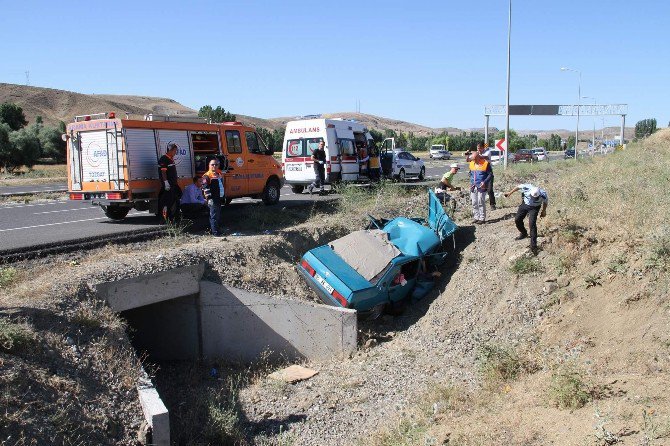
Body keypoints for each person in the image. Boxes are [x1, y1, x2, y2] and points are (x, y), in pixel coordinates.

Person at [504, 183, 549, 254]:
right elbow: (518, 187)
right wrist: (510, 193)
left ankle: (533, 246)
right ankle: (524, 233)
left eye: (536, 198)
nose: (534, 199)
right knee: (517, 219)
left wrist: (543, 211)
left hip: (535, 208)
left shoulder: (543, 194)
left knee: (532, 224)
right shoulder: (527, 187)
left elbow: (545, 202)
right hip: (525, 204)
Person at [467, 141, 496, 209]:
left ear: (483, 148)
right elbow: (468, 159)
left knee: (489, 189)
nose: (478, 149)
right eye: (477, 148)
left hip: (487, 172)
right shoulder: (476, 153)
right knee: (478, 190)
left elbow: (481, 157)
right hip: (480, 173)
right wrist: (468, 154)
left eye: (480, 148)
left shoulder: (487, 152)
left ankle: (492, 204)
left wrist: (474, 154)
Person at [157, 143, 181, 222]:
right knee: (166, 202)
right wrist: (166, 182)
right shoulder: (164, 159)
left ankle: (172, 218)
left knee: (174, 201)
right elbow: (163, 172)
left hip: (173, 184)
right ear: (170, 150)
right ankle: (164, 218)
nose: (175, 152)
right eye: (175, 151)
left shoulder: (171, 159)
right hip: (168, 185)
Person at [202, 159, 225, 236]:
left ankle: (217, 230)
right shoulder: (207, 175)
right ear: (209, 165)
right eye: (212, 164)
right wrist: (209, 199)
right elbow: (205, 188)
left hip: (219, 198)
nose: (214, 166)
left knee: (217, 216)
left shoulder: (219, 173)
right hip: (213, 199)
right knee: (214, 216)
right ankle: (215, 233)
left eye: (216, 164)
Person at [468, 152, 492, 224]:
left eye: (474, 159)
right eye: (472, 159)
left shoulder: (485, 164)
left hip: (482, 186)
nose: (473, 160)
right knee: (474, 202)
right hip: (473, 185)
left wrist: (484, 182)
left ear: (478, 157)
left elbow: (490, 175)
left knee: (480, 202)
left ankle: (482, 218)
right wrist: (471, 179)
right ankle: (476, 217)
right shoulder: (472, 163)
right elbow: (470, 173)